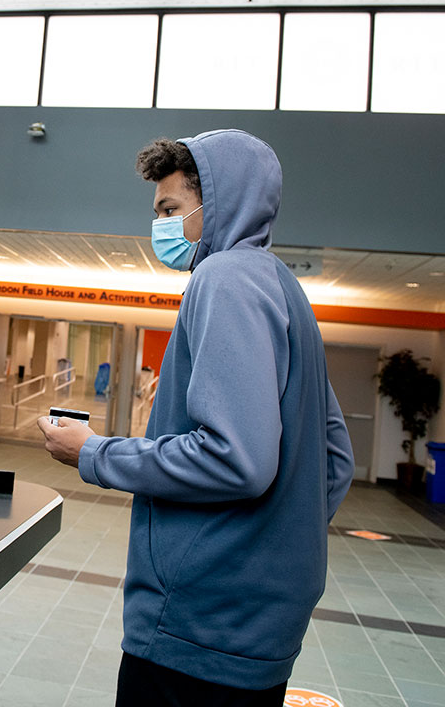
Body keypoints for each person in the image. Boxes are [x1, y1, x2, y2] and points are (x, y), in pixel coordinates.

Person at [37, 129, 354, 705]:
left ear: (219, 204)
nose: (158, 226)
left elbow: (237, 460)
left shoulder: (225, 277)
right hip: (260, 625)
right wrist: (274, 543)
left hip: (197, 623)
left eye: (169, 209)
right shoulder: (284, 287)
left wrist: (92, 451)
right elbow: (334, 457)